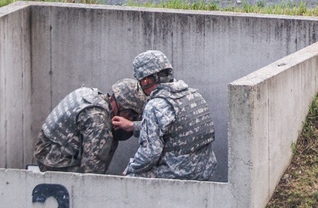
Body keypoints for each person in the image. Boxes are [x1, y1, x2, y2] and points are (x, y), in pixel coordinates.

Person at [117, 49, 216, 180]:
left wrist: (129, 169)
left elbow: (149, 155)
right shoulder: (194, 95)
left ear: (145, 80)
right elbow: (175, 127)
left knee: (130, 178)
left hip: (179, 174)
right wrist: (133, 126)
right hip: (205, 169)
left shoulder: (155, 106)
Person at [34, 78, 146, 174]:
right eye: (131, 114)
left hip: (48, 148)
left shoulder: (92, 95)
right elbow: (91, 172)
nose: (130, 119)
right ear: (122, 106)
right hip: (53, 160)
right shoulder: (99, 120)